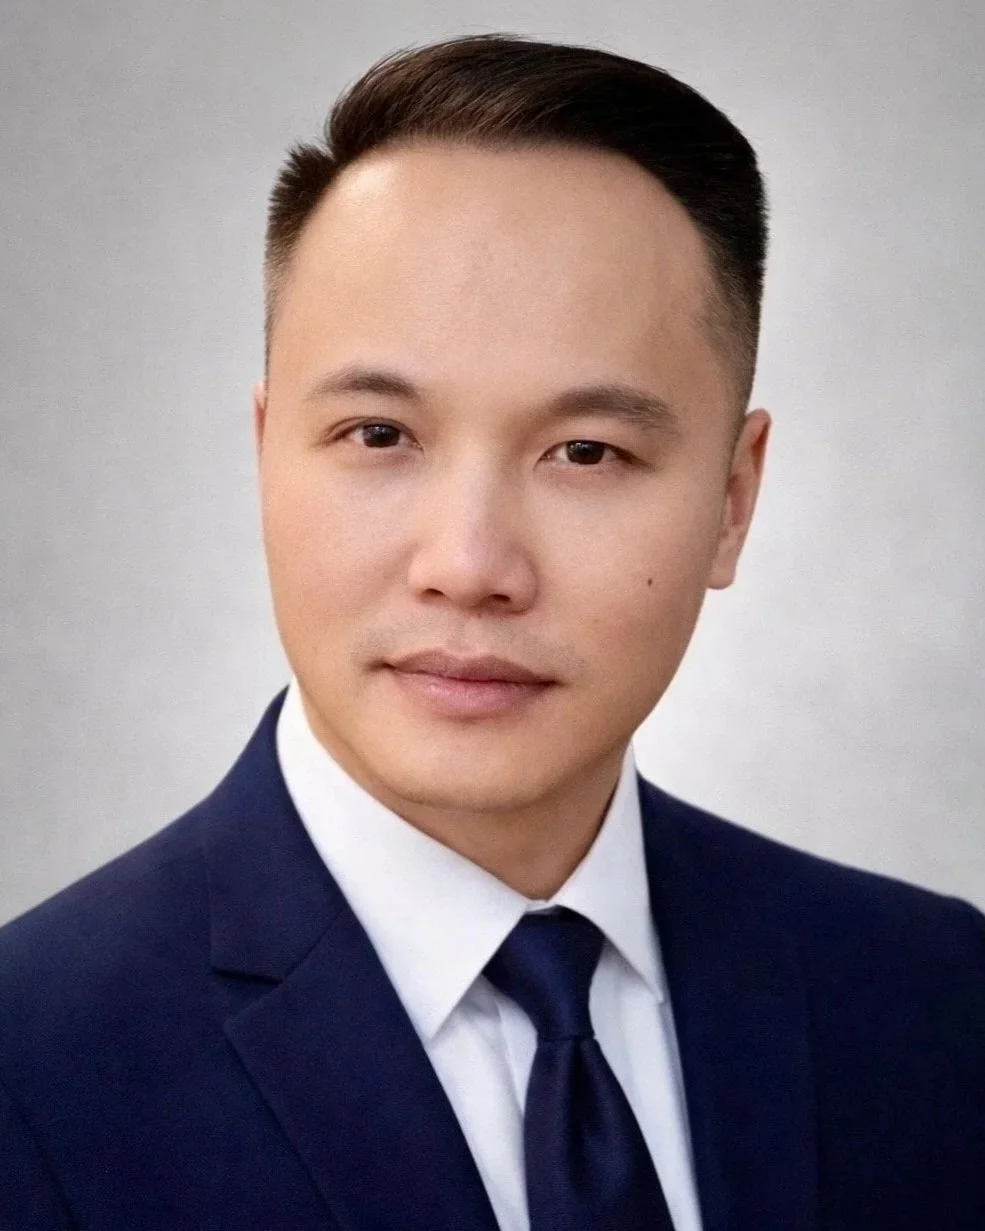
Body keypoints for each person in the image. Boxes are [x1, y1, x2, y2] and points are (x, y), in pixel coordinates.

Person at [1, 30, 982, 1231]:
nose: (468, 565)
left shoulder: (939, 1002)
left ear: (733, 500)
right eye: (378, 434)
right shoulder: (31, 1065)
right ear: (263, 455)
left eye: (586, 452)